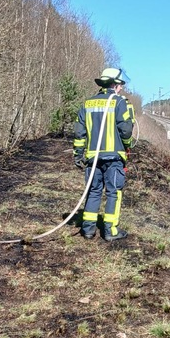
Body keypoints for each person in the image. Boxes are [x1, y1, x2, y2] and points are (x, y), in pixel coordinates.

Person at [73, 68, 134, 241]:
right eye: (120, 85)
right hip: (114, 158)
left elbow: (79, 132)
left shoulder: (87, 104)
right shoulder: (119, 102)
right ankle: (110, 231)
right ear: (114, 84)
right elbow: (126, 130)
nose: (121, 88)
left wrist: (78, 154)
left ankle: (88, 230)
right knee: (114, 192)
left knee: (93, 191)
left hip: (92, 158)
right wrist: (127, 146)